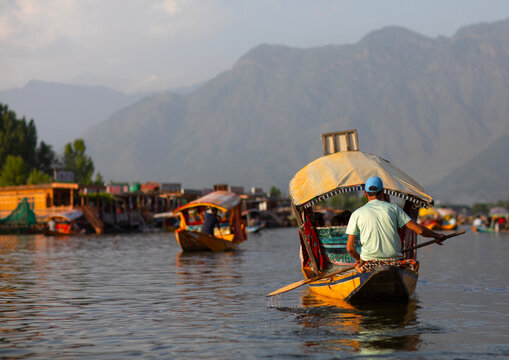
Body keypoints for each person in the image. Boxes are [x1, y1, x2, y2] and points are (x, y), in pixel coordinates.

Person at [346, 176, 445, 266]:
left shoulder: (357, 214)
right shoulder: (394, 209)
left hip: (368, 262)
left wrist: (359, 260)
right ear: (382, 192)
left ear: (365, 193)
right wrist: (437, 236)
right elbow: (420, 231)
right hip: (394, 262)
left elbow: (350, 248)